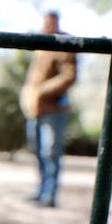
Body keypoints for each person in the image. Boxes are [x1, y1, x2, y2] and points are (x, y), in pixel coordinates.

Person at [20, 11, 78, 208]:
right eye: (45, 23)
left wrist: (42, 92)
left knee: (50, 151)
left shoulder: (64, 44)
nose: (47, 26)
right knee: (37, 150)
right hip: (34, 109)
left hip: (54, 108)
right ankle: (41, 189)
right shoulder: (41, 46)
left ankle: (50, 194)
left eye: (51, 22)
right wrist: (29, 95)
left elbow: (68, 76)